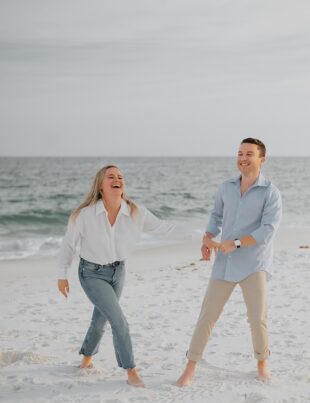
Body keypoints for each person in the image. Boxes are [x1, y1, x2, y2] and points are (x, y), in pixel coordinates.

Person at [56, 164, 182, 388]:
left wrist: (206, 236)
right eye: (111, 177)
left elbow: (165, 229)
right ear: (101, 186)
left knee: (101, 318)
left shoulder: (135, 212)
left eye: (120, 177)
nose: (117, 179)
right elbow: (68, 244)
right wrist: (61, 275)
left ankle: (86, 359)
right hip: (91, 273)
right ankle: (131, 371)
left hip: (118, 272)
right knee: (119, 321)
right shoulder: (85, 215)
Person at [175, 138, 282, 387]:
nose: (243, 158)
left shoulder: (271, 192)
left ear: (262, 159)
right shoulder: (226, 187)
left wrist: (234, 243)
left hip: (254, 263)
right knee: (207, 316)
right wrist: (208, 237)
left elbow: (268, 230)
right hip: (224, 263)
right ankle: (189, 369)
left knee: (257, 318)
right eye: (240, 153)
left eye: (249, 154)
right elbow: (216, 216)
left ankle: (262, 365)